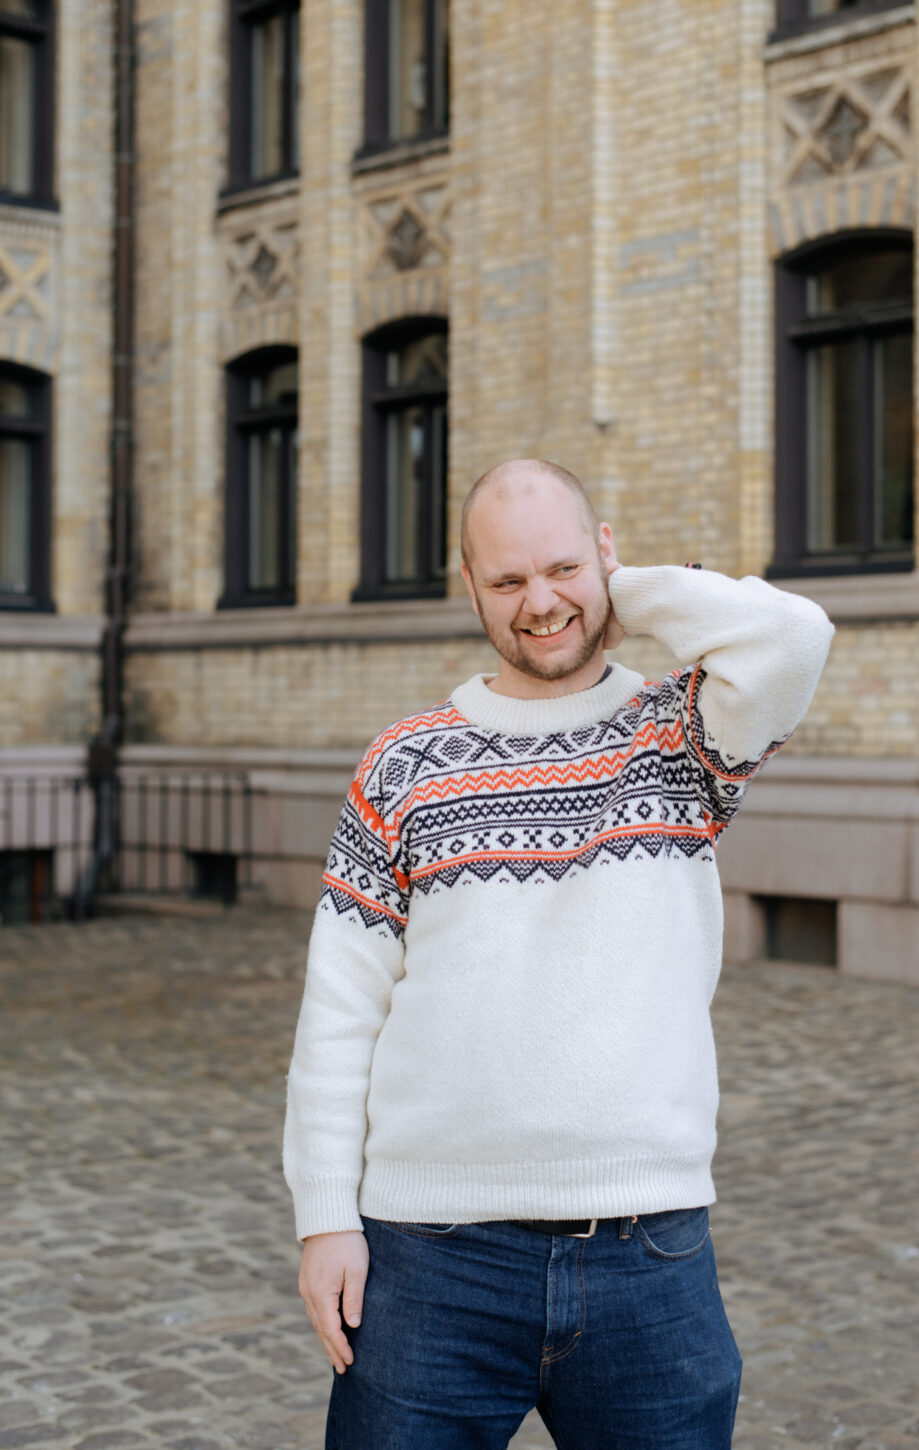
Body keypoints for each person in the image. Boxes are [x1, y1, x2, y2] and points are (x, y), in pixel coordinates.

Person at [283, 458, 835, 1449]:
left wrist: (630, 595)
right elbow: (338, 1010)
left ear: (606, 556)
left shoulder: (681, 731)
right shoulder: (401, 762)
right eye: (506, 581)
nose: (538, 603)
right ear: (469, 588)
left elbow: (793, 635)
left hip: (646, 1252)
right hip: (428, 1257)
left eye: (563, 568)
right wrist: (326, 1216)